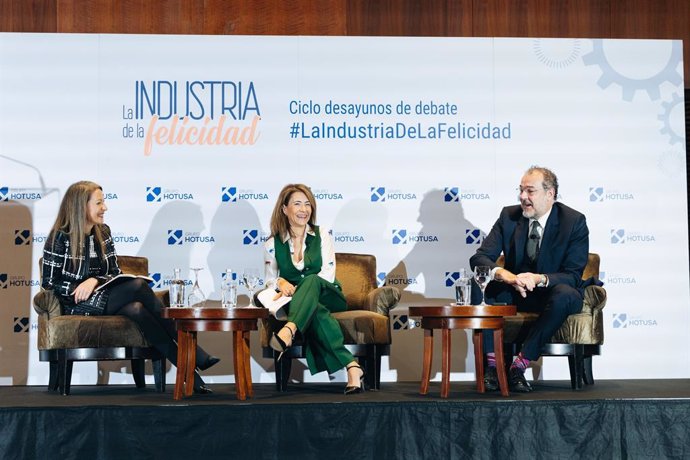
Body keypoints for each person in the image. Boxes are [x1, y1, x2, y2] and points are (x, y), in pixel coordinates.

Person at [41, 181, 219, 393]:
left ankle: (191, 377)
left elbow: (114, 270)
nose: (104, 208)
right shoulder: (59, 238)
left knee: (138, 310)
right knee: (138, 286)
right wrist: (79, 286)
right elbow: (49, 282)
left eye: (103, 202)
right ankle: (194, 351)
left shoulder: (103, 232)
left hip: (103, 295)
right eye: (99, 203)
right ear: (81, 206)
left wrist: (95, 281)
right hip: (77, 303)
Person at [469, 166, 589, 392]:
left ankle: (519, 365)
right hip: (516, 290)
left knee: (566, 294)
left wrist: (540, 278)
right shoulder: (509, 216)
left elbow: (572, 275)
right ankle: (493, 368)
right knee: (480, 283)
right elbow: (480, 258)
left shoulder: (573, 221)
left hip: (551, 293)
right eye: (521, 190)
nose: (523, 197)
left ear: (550, 194)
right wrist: (506, 275)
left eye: (530, 191)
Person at [264, 184, 364, 394]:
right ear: (284, 209)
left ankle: (289, 329)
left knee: (311, 281)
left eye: (308, 204)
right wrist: (279, 283)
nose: (304, 209)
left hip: (329, 294)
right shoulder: (273, 243)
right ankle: (353, 367)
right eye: (297, 204)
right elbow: (269, 281)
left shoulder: (322, 235)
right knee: (315, 311)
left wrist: (293, 286)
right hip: (303, 304)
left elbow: (326, 275)